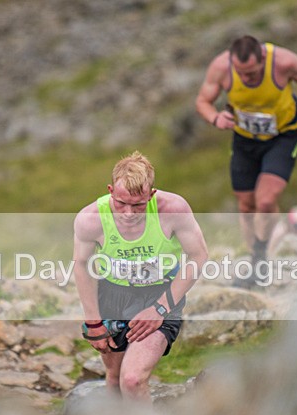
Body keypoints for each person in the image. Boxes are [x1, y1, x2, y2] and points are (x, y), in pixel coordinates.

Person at [73, 151, 208, 402]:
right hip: (112, 296)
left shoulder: (173, 209)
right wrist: (93, 322)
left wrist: (159, 309)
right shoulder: (90, 219)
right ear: (110, 190)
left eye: (138, 204)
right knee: (114, 377)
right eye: (121, 203)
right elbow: (81, 266)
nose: (128, 213)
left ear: (151, 194)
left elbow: (199, 255)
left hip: (160, 295)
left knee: (132, 379)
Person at [196, 34, 297, 287]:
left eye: (252, 73)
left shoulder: (284, 62)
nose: (246, 79)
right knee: (246, 205)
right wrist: (215, 118)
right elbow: (202, 101)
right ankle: (256, 258)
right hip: (245, 140)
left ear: (263, 59)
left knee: (266, 199)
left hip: (283, 136)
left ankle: (261, 256)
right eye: (241, 73)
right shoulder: (221, 67)